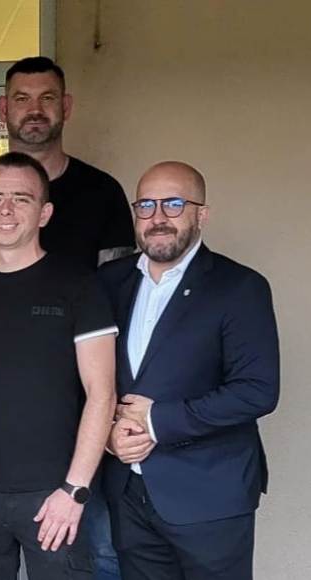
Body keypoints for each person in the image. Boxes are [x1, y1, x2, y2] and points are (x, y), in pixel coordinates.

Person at [0, 56, 134, 579]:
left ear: (44, 212)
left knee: (98, 560)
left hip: (60, 476)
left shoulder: (83, 281)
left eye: (21, 200)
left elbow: (103, 385)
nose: (7, 210)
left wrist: (75, 487)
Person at [99, 162, 279, 580]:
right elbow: (87, 376)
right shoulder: (109, 281)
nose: (158, 217)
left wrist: (156, 420)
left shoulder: (240, 287)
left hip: (210, 494)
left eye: (174, 204)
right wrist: (106, 434)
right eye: (146, 205)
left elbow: (257, 390)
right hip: (128, 492)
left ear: (202, 214)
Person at [0, 56, 134, 291]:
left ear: (66, 107)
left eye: (47, 98)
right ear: (3, 109)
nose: (35, 110)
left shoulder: (104, 192)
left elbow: (116, 293)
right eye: (22, 99)